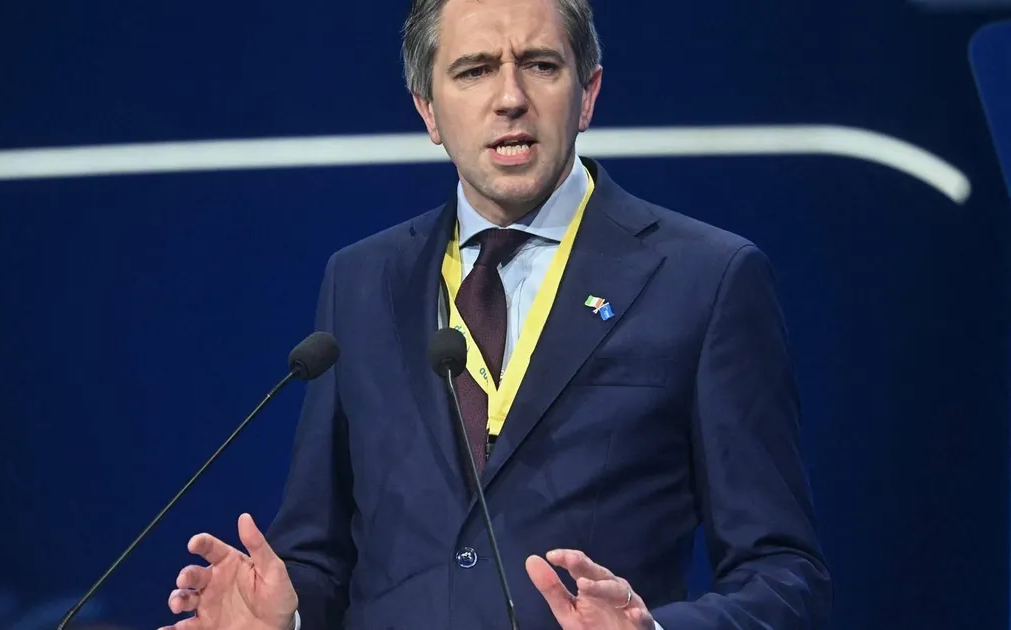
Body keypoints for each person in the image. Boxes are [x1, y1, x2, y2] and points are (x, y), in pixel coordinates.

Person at [160, 0, 832, 628]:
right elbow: (321, 554)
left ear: (587, 93)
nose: (510, 97)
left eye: (539, 64)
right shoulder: (360, 281)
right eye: (474, 70)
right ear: (428, 110)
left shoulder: (705, 278)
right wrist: (284, 615)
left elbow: (783, 573)